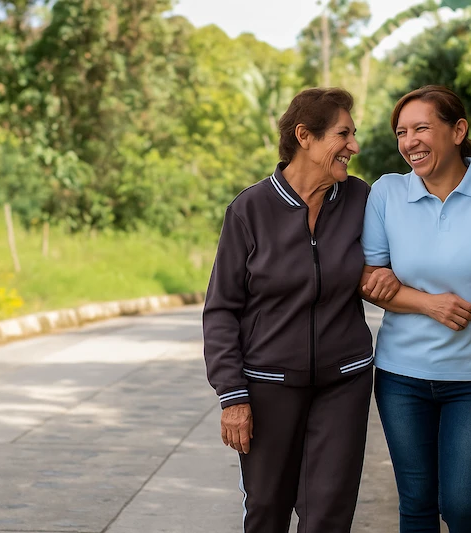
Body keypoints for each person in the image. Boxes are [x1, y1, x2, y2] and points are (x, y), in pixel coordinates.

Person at [360, 85, 471, 533]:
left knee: (462, 507)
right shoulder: (386, 193)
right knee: (417, 506)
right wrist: (428, 303)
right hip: (400, 377)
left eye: (422, 128)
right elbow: (370, 280)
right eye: (401, 132)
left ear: (458, 130)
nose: (410, 142)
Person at [203, 87, 376, 533]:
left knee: (328, 516)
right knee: (267, 511)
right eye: (343, 135)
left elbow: (395, 261)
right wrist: (232, 395)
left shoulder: (361, 200)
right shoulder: (250, 210)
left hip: (344, 381)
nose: (354, 146)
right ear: (305, 136)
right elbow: (221, 309)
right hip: (268, 385)